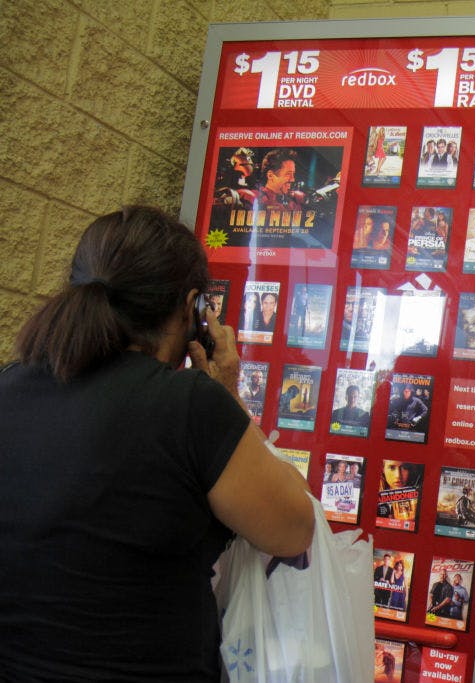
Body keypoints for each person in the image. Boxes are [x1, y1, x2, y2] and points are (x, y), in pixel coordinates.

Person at [0, 206, 313, 680]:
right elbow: (293, 527)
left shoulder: (8, 386)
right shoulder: (189, 406)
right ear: (192, 311)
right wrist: (228, 395)